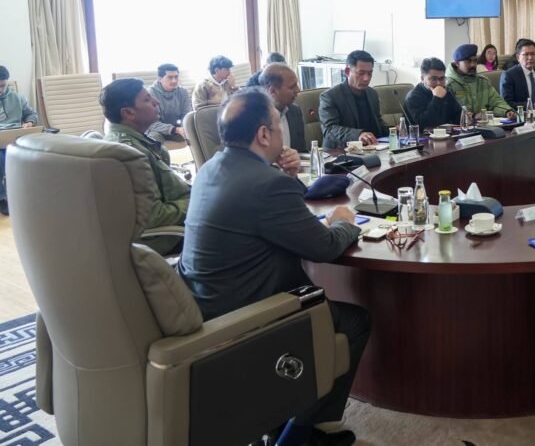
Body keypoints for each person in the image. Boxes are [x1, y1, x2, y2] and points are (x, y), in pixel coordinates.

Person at [177, 89, 368, 446]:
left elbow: (276, 214)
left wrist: (288, 174)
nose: (283, 132)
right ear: (264, 134)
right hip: (247, 314)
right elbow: (323, 247)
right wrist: (345, 221)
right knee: (356, 321)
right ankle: (301, 433)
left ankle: (289, 420)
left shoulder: (211, 168)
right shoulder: (265, 184)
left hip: (208, 304)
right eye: (278, 124)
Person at [100, 78, 190, 253]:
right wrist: (198, 202)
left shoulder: (133, 140)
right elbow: (154, 216)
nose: (156, 102)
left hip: (179, 213)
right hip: (170, 236)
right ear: (128, 113)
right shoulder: (131, 153)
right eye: (148, 100)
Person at [319, 50, 388, 148]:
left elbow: (377, 122)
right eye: (361, 73)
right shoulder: (330, 96)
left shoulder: (372, 93)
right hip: (340, 151)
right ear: (347, 71)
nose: (366, 78)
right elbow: (330, 129)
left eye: (370, 74)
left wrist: (393, 130)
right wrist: (358, 135)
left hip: (370, 148)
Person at [0, 65, 39, 215]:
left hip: (14, 136)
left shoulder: (17, 98)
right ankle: (3, 199)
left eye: (3, 86)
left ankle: (28, 195)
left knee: (32, 154)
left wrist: (29, 123)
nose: (0, 90)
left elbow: (32, 114)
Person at [445, 44, 515, 119]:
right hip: (461, 125)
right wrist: (473, 116)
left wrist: (507, 111)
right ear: (457, 63)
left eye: (475, 61)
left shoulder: (483, 82)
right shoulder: (449, 85)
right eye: (468, 61)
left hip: (485, 123)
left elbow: (496, 102)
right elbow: (450, 114)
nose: (473, 65)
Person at [259, 63, 305, 152]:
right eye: (292, 87)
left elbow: (301, 151)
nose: (298, 90)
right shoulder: (255, 118)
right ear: (273, 91)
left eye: (297, 84)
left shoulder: (295, 112)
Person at [405, 57, 462, 127]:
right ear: (422, 78)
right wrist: (437, 98)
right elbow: (425, 123)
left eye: (442, 78)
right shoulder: (413, 97)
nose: (439, 83)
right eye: (433, 79)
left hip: (445, 132)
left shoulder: (446, 91)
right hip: (421, 133)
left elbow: (456, 116)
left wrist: (465, 117)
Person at [148, 63, 191, 142]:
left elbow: (186, 115)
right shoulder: (150, 94)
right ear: (160, 79)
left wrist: (183, 128)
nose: (174, 81)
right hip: (158, 130)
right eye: (170, 77)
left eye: (176, 77)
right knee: (154, 137)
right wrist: (175, 129)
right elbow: (151, 124)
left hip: (177, 128)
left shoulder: (183, 92)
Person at [501, 40, 535, 108]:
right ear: (518, 57)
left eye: (533, 54)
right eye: (526, 54)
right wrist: (532, 106)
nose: (530, 58)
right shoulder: (509, 75)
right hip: (520, 113)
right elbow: (506, 103)